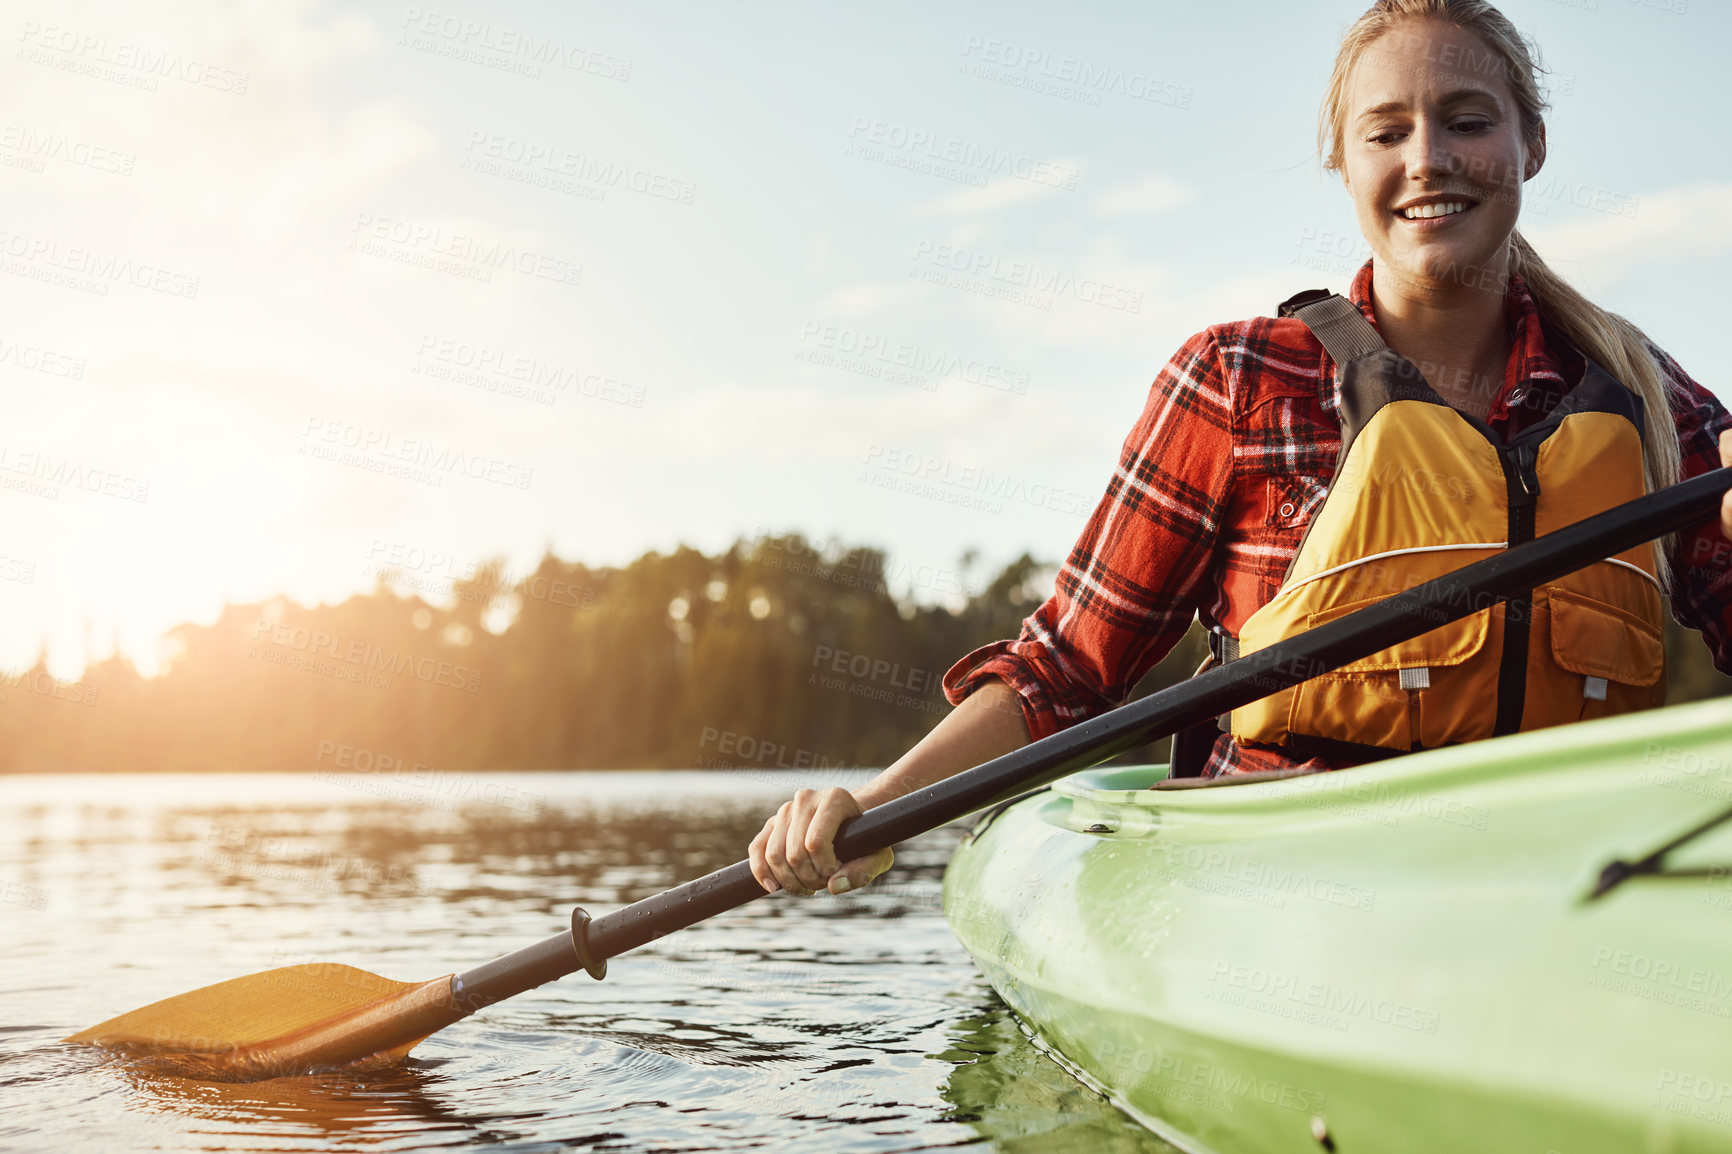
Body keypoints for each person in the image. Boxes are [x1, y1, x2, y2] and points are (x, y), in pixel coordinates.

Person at [749, 0, 1732, 899]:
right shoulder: (1234, 378)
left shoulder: (1648, 397)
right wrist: (875, 809)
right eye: (1385, 131)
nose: (1427, 157)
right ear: (1343, 165)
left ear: (1533, 143)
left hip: (1567, 878)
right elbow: (1064, 674)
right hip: (1283, 887)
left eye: (1468, 120)